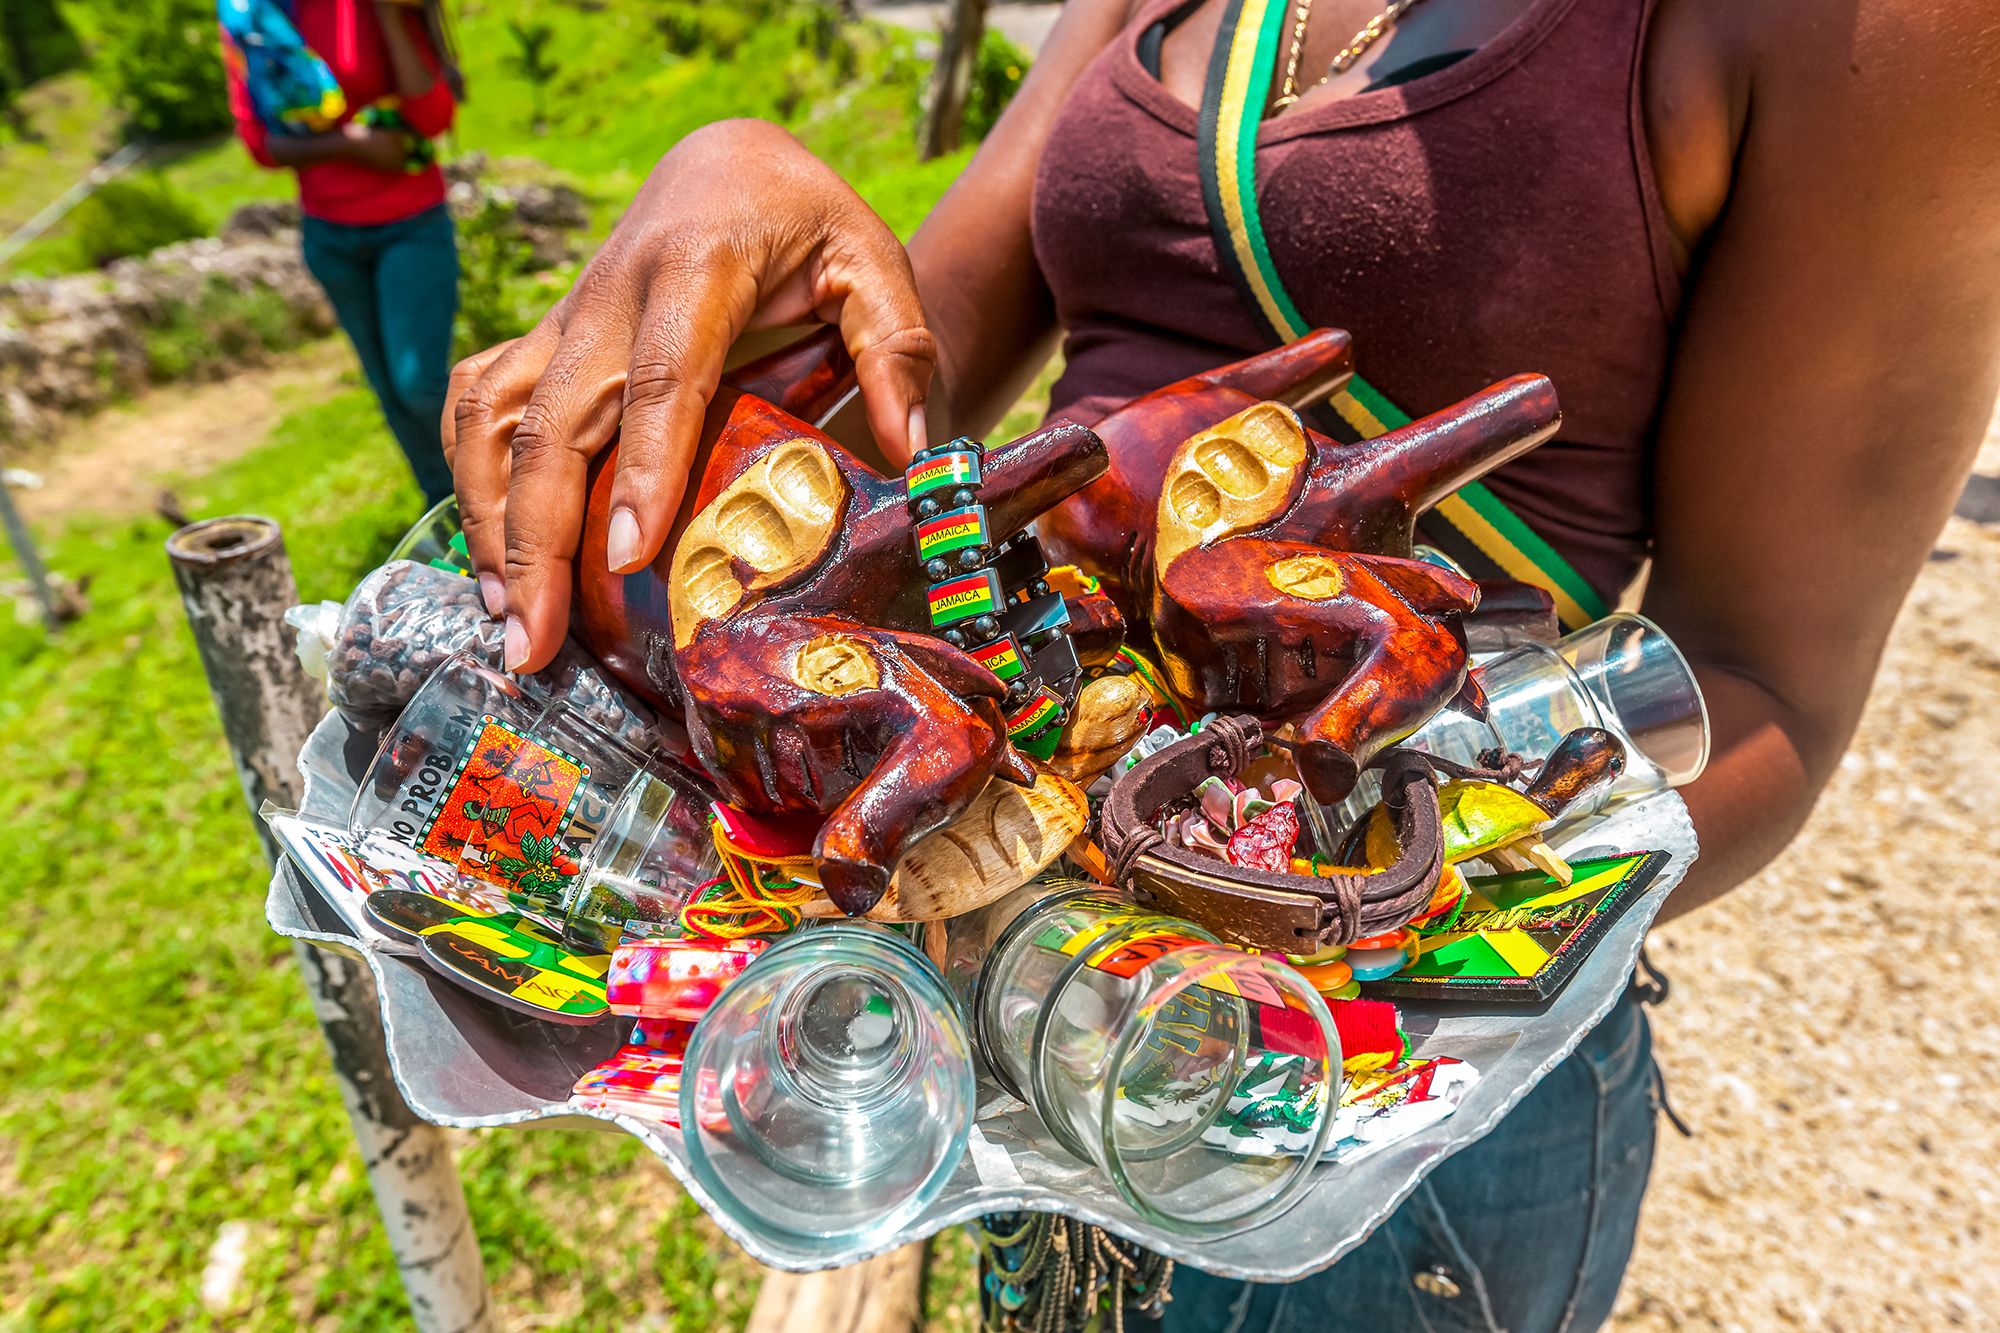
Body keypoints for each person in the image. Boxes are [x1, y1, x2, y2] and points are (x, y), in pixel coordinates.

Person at [441, 0, 2000, 1326]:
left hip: (1362, 1107)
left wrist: (1307, 949)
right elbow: (908, 423)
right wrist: (741, 187)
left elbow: (1762, 687)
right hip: (1020, 974)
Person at [222, 0, 464, 507]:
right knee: (390, 393)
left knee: (418, 383)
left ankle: (500, 493)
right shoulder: (246, 17)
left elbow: (433, 115)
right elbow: (262, 144)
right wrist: (357, 144)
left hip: (411, 225)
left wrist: (391, 16)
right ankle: (447, 513)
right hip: (330, 237)